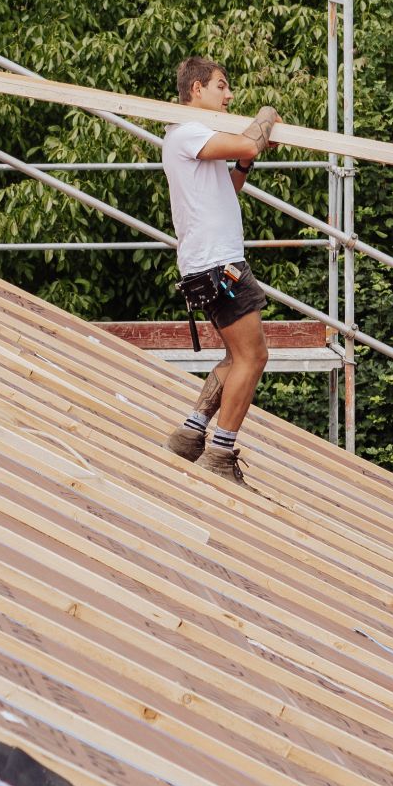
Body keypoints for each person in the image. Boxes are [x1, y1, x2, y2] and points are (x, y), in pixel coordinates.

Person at [160, 55, 280, 487]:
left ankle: (190, 435)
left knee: (236, 356)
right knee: (254, 357)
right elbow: (248, 143)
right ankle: (220, 454)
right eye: (221, 86)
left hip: (211, 263)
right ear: (196, 89)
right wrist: (266, 117)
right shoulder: (188, 131)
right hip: (217, 264)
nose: (229, 95)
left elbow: (229, 186)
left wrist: (247, 161)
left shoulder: (194, 138)